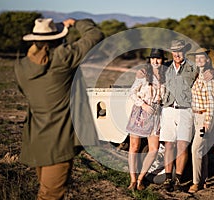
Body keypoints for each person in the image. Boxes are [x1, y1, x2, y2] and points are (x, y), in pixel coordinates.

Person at [14, 18, 104, 199]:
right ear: (56, 39)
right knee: (50, 196)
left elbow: (26, 93)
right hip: (59, 141)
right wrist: (76, 23)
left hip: (37, 139)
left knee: (45, 191)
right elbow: (96, 36)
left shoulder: (21, 66)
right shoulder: (63, 57)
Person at [159, 39, 197, 192]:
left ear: (185, 51)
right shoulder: (166, 67)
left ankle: (179, 180)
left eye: (180, 50)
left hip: (186, 110)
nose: (177, 54)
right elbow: (153, 74)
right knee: (169, 145)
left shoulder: (193, 68)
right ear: (171, 52)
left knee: (182, 146)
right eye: (174, 51)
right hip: (168, 109)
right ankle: (168, 178)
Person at [126, 48, 167, 190]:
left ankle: (140, 178)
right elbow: (132, 93)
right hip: (140, 112)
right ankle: (132, 180)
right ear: (149, 60)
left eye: (159, 59)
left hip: (156, 113)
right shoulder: (143, 75)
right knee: (134, 147)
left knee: (154, 149)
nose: (155, 61)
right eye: (153, 58)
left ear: (162, 60)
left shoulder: (166, 75)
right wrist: (143, 105)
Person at [187, 47, 214, 193]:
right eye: (197, 57)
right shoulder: (197, 75)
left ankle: (196, 182)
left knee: (196, 149)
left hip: (205, 117)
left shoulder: (208, 77)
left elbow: (212, 102)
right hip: (196, 116)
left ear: (207, 60)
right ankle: (204, 179)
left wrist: (207, 121)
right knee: (203, 150)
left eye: (202, 57)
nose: (199, 60)